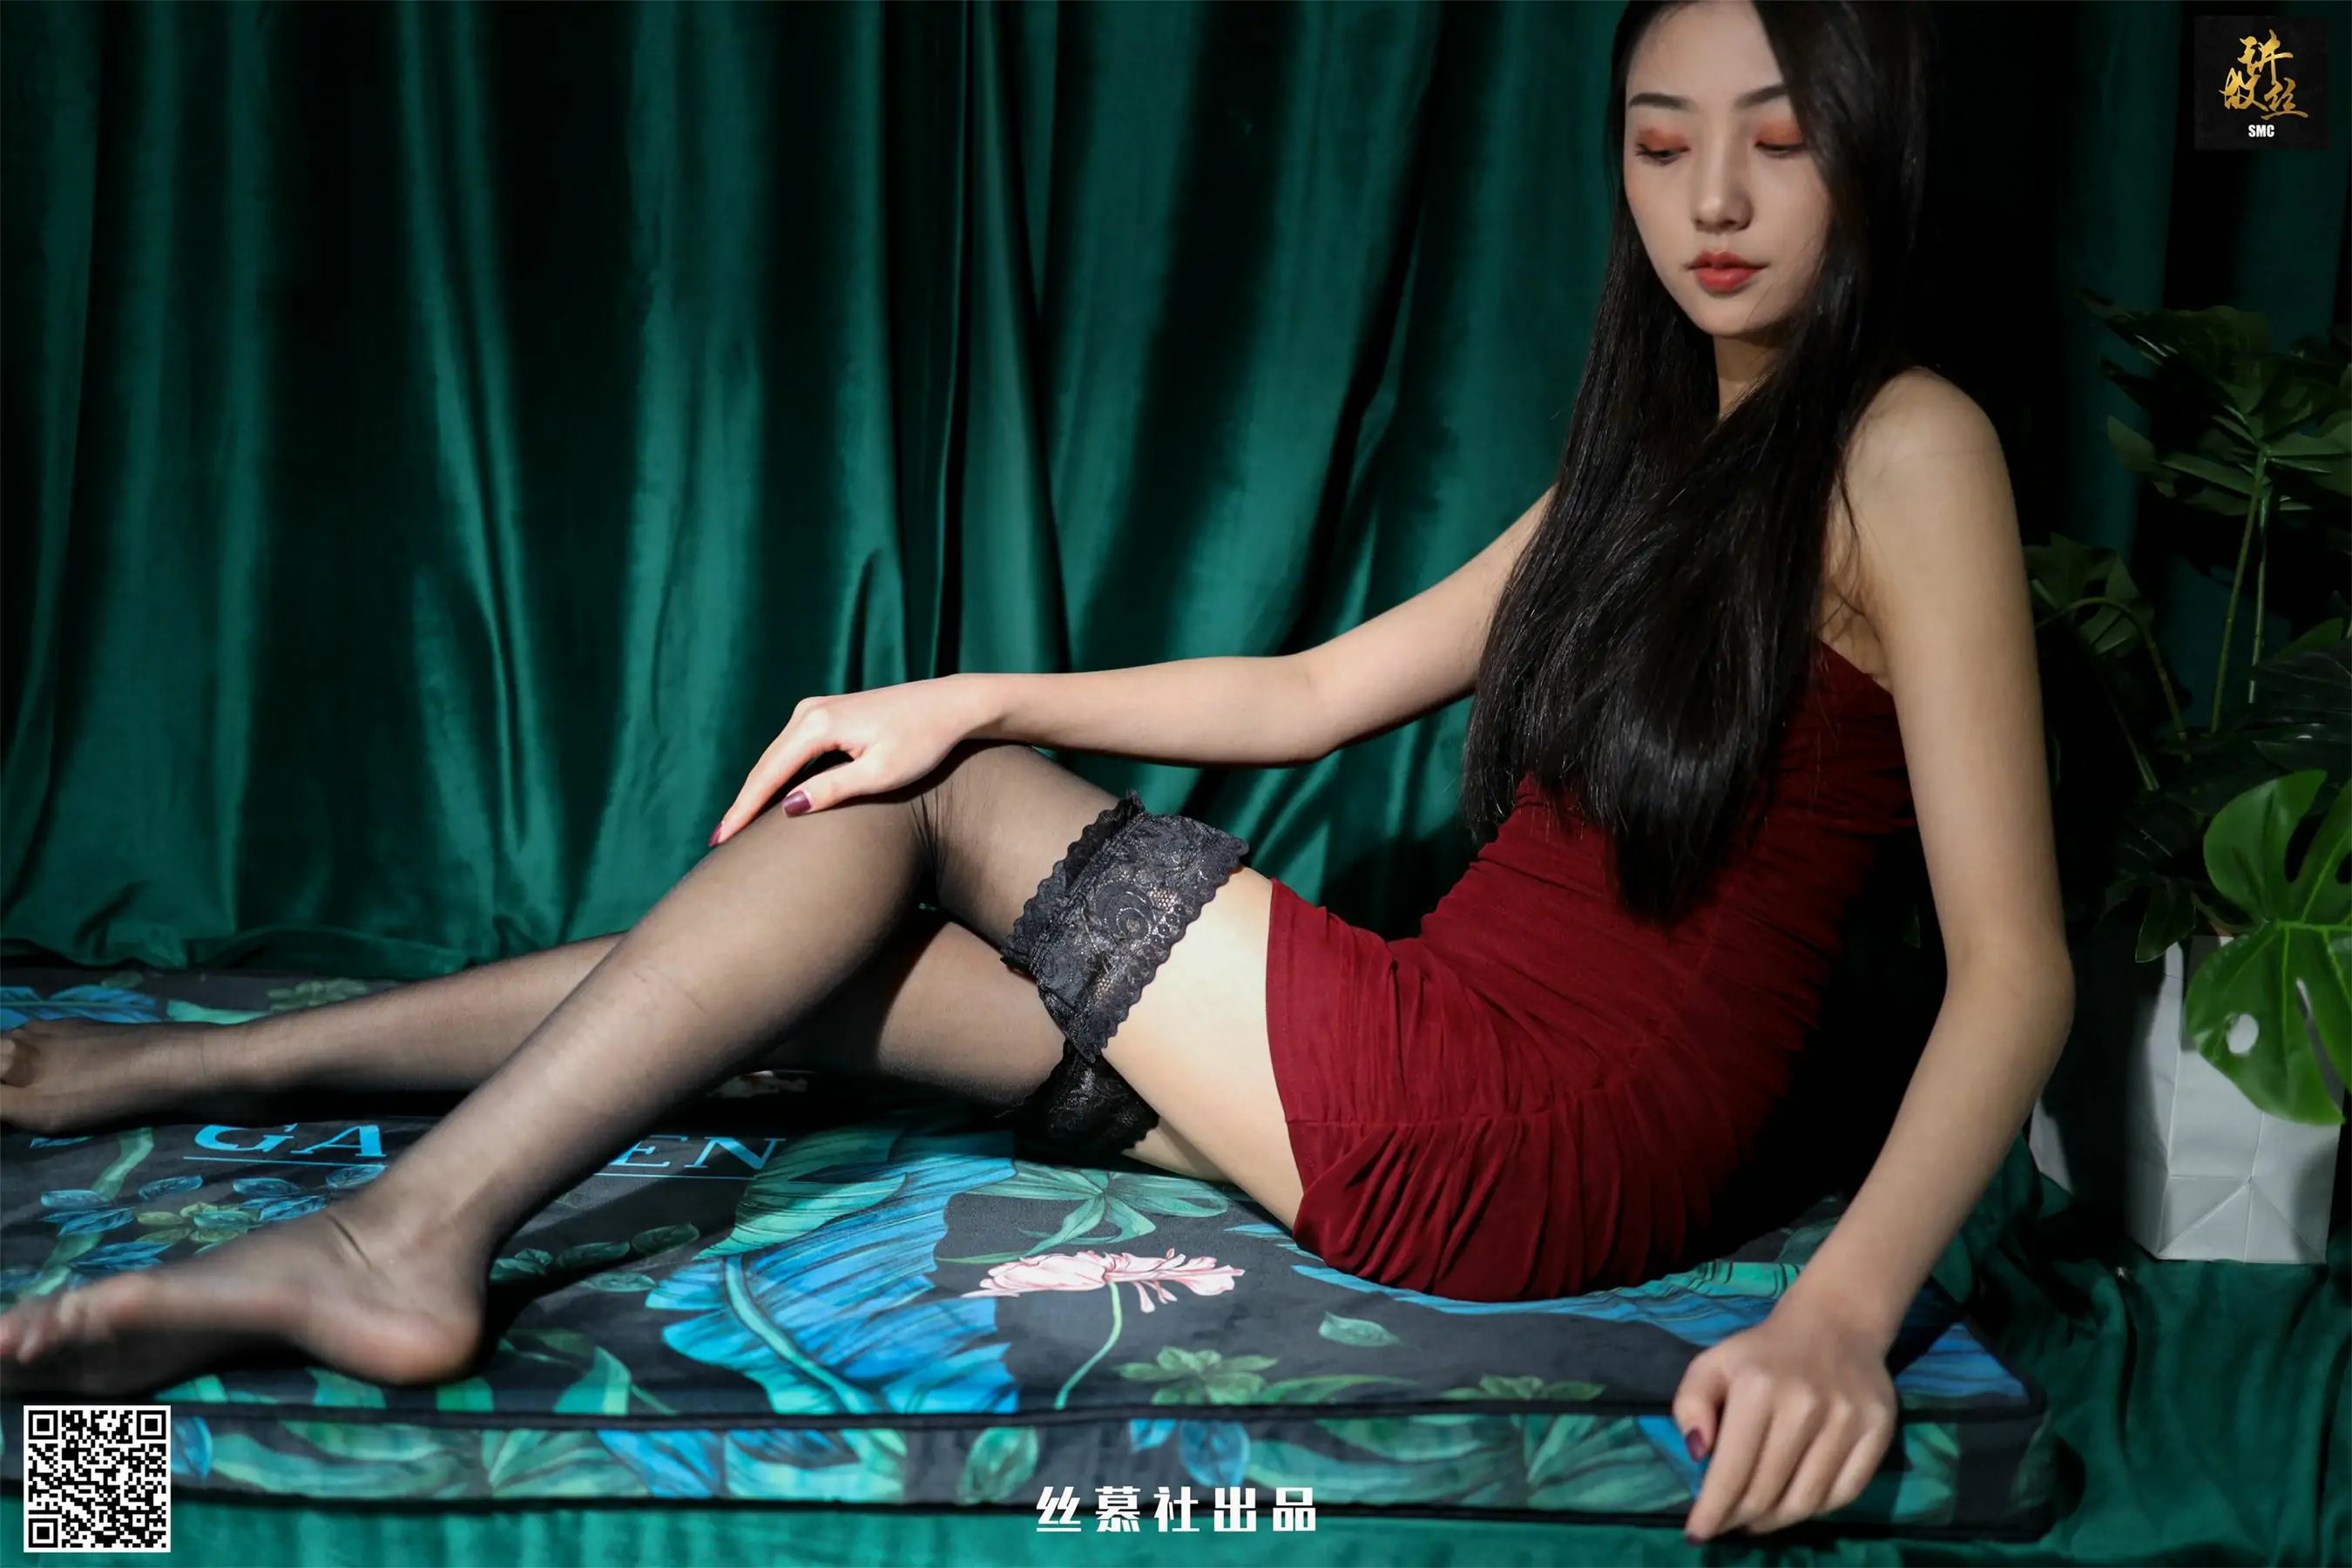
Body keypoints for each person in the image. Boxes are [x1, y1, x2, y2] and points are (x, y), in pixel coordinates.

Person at [0, 0, 2073, 1542]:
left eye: (1779, 140)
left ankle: (398, 1247)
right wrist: (976, 688)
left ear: (1869, 150)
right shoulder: (1660, 455)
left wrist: (1839, 1316)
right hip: (1452, 1054)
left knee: (913, 808)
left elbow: (2015, 968)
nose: (1713, 201)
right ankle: (192, 1068)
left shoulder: (1910, 447)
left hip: (1533, 1133)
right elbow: (1317, 688)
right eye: (1659, 141)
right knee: (810, 977)